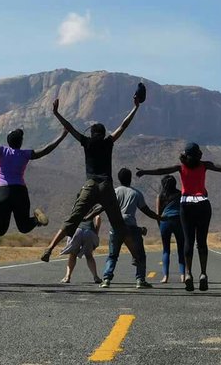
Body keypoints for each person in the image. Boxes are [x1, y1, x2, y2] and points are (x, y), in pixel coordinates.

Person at [40, 91, 145, 264]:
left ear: (92, 133)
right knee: (119, 225)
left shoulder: (86, 142)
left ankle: (49, 249)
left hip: (90, 185)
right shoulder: (108, 142)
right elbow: (123, 126)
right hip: (106, 186)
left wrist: (57, 113)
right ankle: (135, 256)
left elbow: (70, 128)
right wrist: (135, 107)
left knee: (72, 219)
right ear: (103, 134)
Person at [136, 142, 221, 291]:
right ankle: (203, 274)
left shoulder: (180, 167)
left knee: (188, 241)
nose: (202, 154)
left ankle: (189, 274)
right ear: (197, 154)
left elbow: (161, 170)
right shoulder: (204, 165)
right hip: (203, 204)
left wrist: (145, 171)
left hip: (186, 205)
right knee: (202, 241)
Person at [0, 102, 68, 237]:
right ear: (21, 142)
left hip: (2, 192)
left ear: (8, 141)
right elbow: (46, 149)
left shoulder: (2, 151)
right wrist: (62, 135)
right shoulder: (25, 154)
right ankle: (36, 219)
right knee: (23, 227)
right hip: (20, 191)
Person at [100, 168, 163, 289]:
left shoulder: (114, 192)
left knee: (113, 255)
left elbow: (104, 207)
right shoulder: (136, 193)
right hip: (131, 227)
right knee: (140, 255)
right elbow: (146, 211)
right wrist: (159, 218)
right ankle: (140, 280)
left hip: (116, 226)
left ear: (118, 179)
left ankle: (106, 279)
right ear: (130, 179)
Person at [60, 207, 103, 284]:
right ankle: (96, 277)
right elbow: (98, 217)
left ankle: (67, 277)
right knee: (89, 256)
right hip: (89, 231)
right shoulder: (92, 206)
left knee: (72, 255)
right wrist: (96, 231)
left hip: (76, 230)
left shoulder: (77, 206)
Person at [156, 175, 185, 284]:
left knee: (166, 250)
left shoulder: (160, 196)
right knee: (181, 249)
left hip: (165, 222)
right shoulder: (180, 194)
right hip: (178, 221)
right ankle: (183, 275)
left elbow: (158, 214)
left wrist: (161, 225)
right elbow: (183, 209)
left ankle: (165, 277)